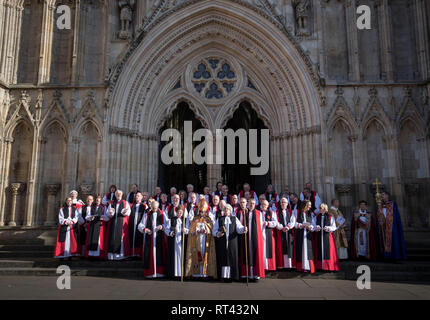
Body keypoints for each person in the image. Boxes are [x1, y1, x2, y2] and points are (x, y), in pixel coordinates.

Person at [213, 204, 246, 282]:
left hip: (232, 242)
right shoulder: (220, 219)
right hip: (222, 242)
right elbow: (214, 231)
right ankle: (223, 276)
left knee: (232, 257)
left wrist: (244, 228)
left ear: (230, 211)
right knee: (223, 258)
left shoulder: (234, 219)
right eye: (225, 209)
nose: (226, 210)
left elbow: (239, 228)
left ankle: (232, 276)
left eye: (228, 209)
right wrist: (218, 234)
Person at [185, 200, 217, 279]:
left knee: (204, 254)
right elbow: (191, 229)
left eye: (203, 212)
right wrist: (197, 231)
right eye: (200, 211)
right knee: (197, 254)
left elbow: (211, 228)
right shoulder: (195, 219)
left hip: (206, 240)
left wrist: (206, 230)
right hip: (197, 239)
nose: (202, 213)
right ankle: (196, 274)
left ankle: (205, 273)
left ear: (206, 211)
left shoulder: (208, 219)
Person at [139, 201, 168, 278]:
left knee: (159, 254)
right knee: (149, 254)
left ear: (158, 207)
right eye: (153, 208)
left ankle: (159, 273)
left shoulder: (162, 213)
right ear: (151, 207)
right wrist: (145, 229)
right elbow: (141, 224)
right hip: (150, 237)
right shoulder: (147, 214)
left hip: (159, 237)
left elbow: (167, 223)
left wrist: (162, 226)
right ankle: (150, 273)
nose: (154, 210)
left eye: (155, 208)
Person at [238, 198, 265, 280]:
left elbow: (260, 226)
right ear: (247, 204)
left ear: (255, 204)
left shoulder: (258, 213)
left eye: (253, 203)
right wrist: (243, 229)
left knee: (255, 254)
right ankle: (247, 274)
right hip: (245, 235)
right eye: (250, 203)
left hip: (255, 237)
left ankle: (255, 274)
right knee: (246, 254)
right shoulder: (243, 212)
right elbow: (240, 223)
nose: (251, 205)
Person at [376, 191, 407, 260]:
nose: (382, 196)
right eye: (381, 195)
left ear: (387, 196)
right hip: (383, 227)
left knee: (394, 241)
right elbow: (378, 216)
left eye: (383, 195)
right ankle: (385, 257)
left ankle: (395, 256)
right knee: (383, 241)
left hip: (392, 226)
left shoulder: (392, 204)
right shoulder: (379, 205)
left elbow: (396, 217)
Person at [103, 190, 131, 260]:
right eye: (117, 194)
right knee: (112, 237)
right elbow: (107, 214)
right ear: (115, 195)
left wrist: (125, 212)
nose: (118, 195)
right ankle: (111, 256)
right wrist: (110, 212)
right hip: (112, 223)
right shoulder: (112, 203)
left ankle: (120, 256)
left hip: (121, 222)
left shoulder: (125, 202)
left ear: (122, 195)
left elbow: (128, 212)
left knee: (120, 237)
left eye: (119, 194)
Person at [314, 203, 339, 271]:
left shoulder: (330, 217)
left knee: (328, 252)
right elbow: (313, 225)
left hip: (327, 236)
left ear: (325, 209)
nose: (320, 209)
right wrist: (316, 227)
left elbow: (334, 227)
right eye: (320, 208)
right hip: (319, 236)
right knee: (319, 251)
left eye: (321, 208)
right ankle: (320, 267)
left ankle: (328, 267)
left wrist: (328, 228)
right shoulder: (316, 216)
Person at [165, 204, 188, 279]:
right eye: (178, 212)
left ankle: (182, 274)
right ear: (176, 212)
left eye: (181, 212)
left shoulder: (185, 220)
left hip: (182, 241)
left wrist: (185, 230)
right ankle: (174, 273)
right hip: (173, 241)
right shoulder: (172, 219)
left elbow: (189, 229)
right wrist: (171, 233)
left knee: (182, 256)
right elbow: (167, 229)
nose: (180, 214)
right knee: (174, 256)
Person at [294, 200, 315, 273]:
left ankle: (308, 267)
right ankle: (301, 267)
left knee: (308, 251)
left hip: (308, 234)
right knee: (301, 250)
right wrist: (301, 225)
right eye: (309, 205)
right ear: (304, 205)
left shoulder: (310, 213)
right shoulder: (297, 212)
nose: (310, 207)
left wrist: (311, 227)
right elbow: (294, 223)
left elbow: (313, 224)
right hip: (300, 233)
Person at [275, 197, 296, 269]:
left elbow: (293, 221)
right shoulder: (276, 212)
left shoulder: (291, 212)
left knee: (290, 248)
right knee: (281, 248)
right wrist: (281, 227)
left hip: (289, 231)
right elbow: (276, 221)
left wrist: (287, 227)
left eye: (284, 202)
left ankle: (290, 266)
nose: (283, 204)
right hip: (280, 232)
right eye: (281, 202)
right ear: (280, 203)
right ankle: (282, 265)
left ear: (287, 204)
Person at [260, 200, 277, 271]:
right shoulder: (258, 213)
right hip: (260, 233)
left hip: (268, 232)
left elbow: (275, 223)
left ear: (268, 206)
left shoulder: (272, 212)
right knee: (261, 250)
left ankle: (268, 267)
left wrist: (267, 223)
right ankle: (262, 266)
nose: (264, 205)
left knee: (268, 249)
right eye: (263, 204)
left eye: (265, 204)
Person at [128, 191, 146, 258]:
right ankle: (132, 253)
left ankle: (138, 254)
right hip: (132, 224)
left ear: (141, 197)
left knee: (139, 238)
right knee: (131, 237)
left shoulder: (144, 206)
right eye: (136, 196)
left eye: (138, 196)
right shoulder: (131, 205)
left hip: (139, 224)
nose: (137, 197)